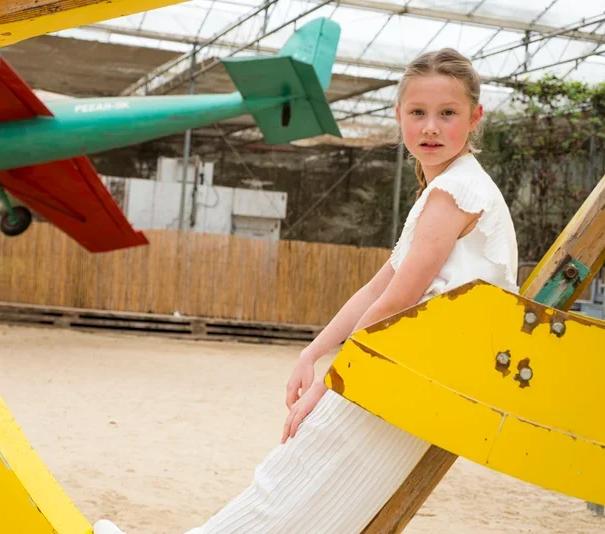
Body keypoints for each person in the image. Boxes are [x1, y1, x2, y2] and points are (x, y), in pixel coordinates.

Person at [94, 47, 519, 534]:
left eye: (447, 114)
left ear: (474, 118)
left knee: (297, 469)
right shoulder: (446, 188)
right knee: (311, 480)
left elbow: (400, 298)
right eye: (417, 113)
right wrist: (311, 353)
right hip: (426, 366)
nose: (430, 128)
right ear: (399, 115)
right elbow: (378, 284)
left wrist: (329, 381)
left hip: (426, 367)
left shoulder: (455, 191)